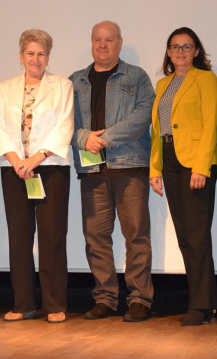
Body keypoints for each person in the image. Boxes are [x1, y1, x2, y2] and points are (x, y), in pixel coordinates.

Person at [69, 21, 154, 322]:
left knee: (136, 235)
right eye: (97, 39)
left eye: (109, 40)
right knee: (96, 237)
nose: (102, 45)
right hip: (92, 170)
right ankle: (105, 299)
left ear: (119, 43)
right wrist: (83, 138)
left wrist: (105, 138)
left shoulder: (137, 76)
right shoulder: (75, 81)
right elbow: (62, 122)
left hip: (130, 166)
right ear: (91, 43)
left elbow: (143, 116)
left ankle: (140, 299)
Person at [0, 29, 74, 324]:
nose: (35, 59)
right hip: (15, 170)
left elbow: (64, 126)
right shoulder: (6, 87)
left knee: (52, 237)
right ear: (21, 56)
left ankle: (54, 304)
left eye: (41, 54)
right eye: (30, 53)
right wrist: (18, 162)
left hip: (50, 167)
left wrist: (36, 158)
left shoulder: (62, 85)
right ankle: (23, 304)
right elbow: (0, 128)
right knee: (19, 237)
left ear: (48, 57)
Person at [150, 27, 217, 326]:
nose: (180, 51)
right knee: (185, 238)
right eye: (175, 47)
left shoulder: (206, 79)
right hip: (169, 161)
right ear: (168, 52)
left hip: (195, 163)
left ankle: (200, 306)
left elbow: (210, 124)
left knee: (197, 236)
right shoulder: (163, 83)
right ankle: (206, 301)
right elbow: (158, 130)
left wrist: (201, 167)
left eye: (186, 46)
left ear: (196, 51)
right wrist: (155, 169)